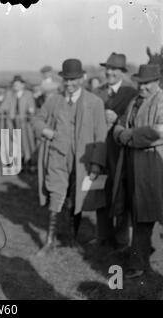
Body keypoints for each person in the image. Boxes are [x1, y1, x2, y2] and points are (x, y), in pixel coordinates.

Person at [32, 59, 107, 256]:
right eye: (66, 79)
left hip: (82, 160)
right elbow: (37, 119)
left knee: (76, 198)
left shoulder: (94, 102)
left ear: (81, 78)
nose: (69, 83)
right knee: (56, 194)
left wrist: (97, 163)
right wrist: (47, 131)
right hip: (57, 155)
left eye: (73, 79)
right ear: (62, 80)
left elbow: (101, 135)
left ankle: (73, 238)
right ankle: (50, 241)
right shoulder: (54, 100)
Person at [113, 64, 163, 279]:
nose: (142, 87)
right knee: (138, 213)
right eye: (140, 83)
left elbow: (159, 131)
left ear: (157, 82)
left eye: (147, 84)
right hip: (133, 165)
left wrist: (129, 135)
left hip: (155, 165)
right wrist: (121, 134)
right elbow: (118, 126)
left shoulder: (162, 101)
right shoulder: (135, 101)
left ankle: (145, 261)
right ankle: (140, 262)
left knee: (150, 213)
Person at [93, 53, 137, 250]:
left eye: (114, 69)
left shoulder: (131, 93)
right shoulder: (97, 92)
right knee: (100, 190)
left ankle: (121, 240)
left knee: (122, 193)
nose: (109, 72)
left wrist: (117, 117)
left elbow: (134, 120)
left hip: (121, 151)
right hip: (100, 149)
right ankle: (103, 236)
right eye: (107, 68)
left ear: (122, 72)